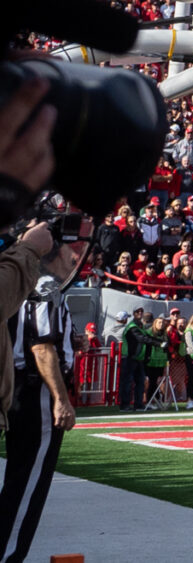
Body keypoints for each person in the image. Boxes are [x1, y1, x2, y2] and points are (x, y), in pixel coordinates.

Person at [1, 210, 87, 563]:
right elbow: (41, 345)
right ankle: (8, 555)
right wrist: (60, 399)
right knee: (27, 482)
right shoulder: (42, 283)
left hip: (16, 383)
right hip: (34, 387)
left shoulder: (15, 278)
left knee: (19, 478)